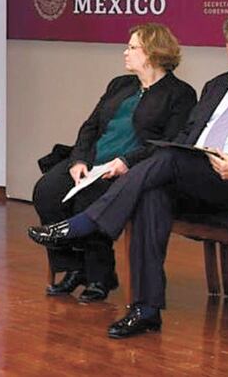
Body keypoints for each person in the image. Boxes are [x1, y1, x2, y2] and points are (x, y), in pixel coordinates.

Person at [28, 12, 228, 338]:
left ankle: (86, 223)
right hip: (197, 176)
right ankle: (145, 310)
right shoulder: (216, 86)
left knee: (166, 160)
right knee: (152, 192)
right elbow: (186, 137)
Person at [32, 23, 196, 302]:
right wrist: (78, 160)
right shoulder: (120, 85)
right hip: (92, 160)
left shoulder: (180, 94)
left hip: (130, 167)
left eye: (132, 47)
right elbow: (91, 126)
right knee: (47, 192)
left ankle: (100, 276)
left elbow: (170, 142)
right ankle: (74, 268)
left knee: (89, 199)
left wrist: (126, 161)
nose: (125, 52)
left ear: (152, 52)